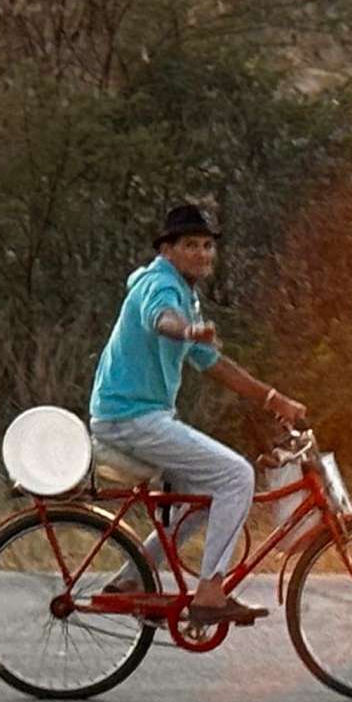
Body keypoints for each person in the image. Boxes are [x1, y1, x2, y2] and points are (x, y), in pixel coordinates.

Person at [88, 203, 308, 627]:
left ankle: (129, 580)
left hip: (136, 417)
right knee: (237, 476)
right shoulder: (161, 284)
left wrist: (273, 399)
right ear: (167, 249)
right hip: (130, 418)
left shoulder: (184, 293)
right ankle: (209, 594)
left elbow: (213, 363)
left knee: (206, 497)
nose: (203, 254)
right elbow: (161, 320)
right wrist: (185, 330)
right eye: (191, 245)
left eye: (208, 246)